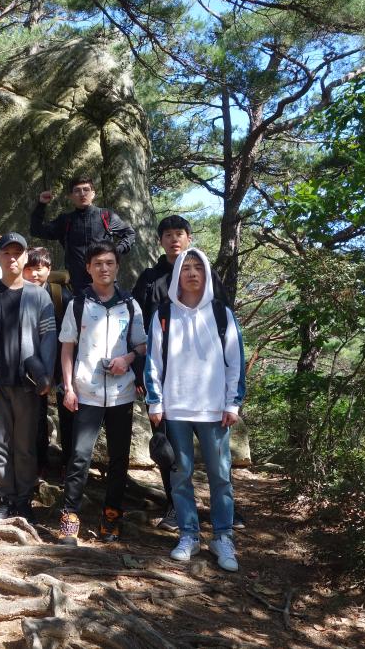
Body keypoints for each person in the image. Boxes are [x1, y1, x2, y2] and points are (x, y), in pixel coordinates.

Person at [132, 215, 246, 533]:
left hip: (209, 388)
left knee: (218, 461)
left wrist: (232, 396)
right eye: (167, 234)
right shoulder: (149, 279)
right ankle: (176, 510)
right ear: (160, 241)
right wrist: (144, 378)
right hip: (168, 386)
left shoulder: (210, 280)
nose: (174, 239)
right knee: (171, 455)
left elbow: (226, 330)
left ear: (189, 238)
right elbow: (139, 329)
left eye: (179, 233)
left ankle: (226, 516)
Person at [57, 241, 147, 545]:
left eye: (109, 263)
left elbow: (142, 345)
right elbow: (67, 348)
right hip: (86, 393)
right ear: (88, 268)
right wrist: (68, 387)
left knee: (119, 459)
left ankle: (111, 515)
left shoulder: (130, 305)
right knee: (79, 456)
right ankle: (69, 517)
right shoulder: (78, 304)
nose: (104, 268)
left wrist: (127, 359)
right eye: (98, 263)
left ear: (117, 267)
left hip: (122, 394)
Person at [0, 233, 57, 523]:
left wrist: (45, 375)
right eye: (6, 253)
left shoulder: (39, 296)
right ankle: (4, 499)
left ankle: (23, 501)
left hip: (27, 387)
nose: (12, 258)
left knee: (25, 446)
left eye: (18, 253)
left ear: (25, 257)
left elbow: (49, 336)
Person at [30, 176, 136, 291]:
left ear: (93, 194)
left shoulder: (106, 216)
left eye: (86, 189)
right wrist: (41, 204)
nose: (82, 194)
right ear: (71, 196)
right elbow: (37, 230)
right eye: (77, 190)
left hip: (106, 281)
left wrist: (116, 251)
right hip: (78, 285)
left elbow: (129, 233)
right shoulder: (65, 220)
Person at [22, 246, 72, 477]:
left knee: (67, 412)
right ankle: (38, 463)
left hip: (62, 361)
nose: (33, 274)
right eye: (28, 268)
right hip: (34, 362)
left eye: (39, 268)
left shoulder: (61, 295)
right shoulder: (19, 293)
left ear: (49, 269)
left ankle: (68, 464)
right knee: (37, 414)